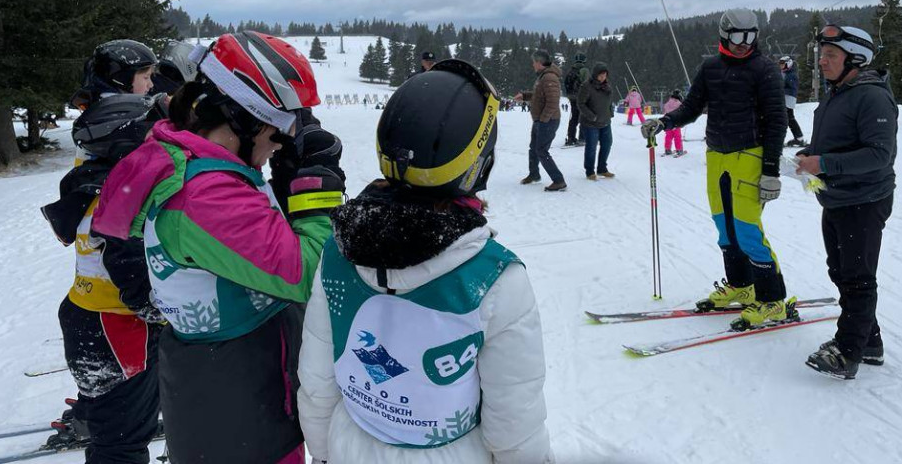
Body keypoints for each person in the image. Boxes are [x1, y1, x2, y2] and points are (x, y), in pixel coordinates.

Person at [92, 31, 342, 464]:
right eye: (281, 128)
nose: (284, 141)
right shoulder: (206, 196)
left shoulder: (204, 164)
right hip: (238, 404)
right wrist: (314, 195)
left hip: (239, 384)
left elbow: (259, 249)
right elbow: (309, 275)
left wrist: (285, 190)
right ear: (243, 119)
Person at [297, 59, 554, 464]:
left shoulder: (337, 251)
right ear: (478, 164)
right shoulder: (495, 278)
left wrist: (325, 453)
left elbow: (317, 383)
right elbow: (515, 424)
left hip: (351, 445)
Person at [41, 39, 165, 462]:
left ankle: (100, 413)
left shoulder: (99, 135)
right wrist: (166, 307)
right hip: (119, 322)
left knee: (113, 408)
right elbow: (125, 253)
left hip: (89, 309)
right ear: (120, 82)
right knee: (122, 448)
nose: (151, 87)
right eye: (145, 77)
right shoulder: (122, 142)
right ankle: (113, 422)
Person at [641, 8, 788, 330]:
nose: (743, 44)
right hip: (717, 156)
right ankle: (741, 284)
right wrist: (664, 122)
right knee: (725, 228)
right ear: (724, 34)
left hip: (750, 155)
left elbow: (778, 120)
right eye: (737, 36)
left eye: (750, 36)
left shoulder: (764, 69)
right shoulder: (710, 67)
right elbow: (692, 107)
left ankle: (772, 300)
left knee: (748, 230)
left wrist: (771, 170)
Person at [795, 26, 897, 380]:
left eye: (831, 56)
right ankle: (869, 341)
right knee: (840, 271)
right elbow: (837, 142)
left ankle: (848, 351)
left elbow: (879, 154)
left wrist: (822, 164)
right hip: (837, 197)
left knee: (857, 278)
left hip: (865, 199)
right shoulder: (838, 93)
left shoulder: (872, 97)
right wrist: (811, 155)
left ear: (856, 59)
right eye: (821, 54)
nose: (822, 61)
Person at [514, 50, 566, 192]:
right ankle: (534, 174)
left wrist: (543, 120)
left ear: (539, 62)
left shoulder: (549, 77)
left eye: (533, 62)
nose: (532, 65)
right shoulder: (543, 77)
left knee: (541, 150)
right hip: (540, 120)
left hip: (548, 121)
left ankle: (559, 180)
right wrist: (524, 96)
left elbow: (553, 102)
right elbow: (538, 96)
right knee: (534, 148)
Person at [577, 62, 615, 180]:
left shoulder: (607, 86)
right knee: (591, 147)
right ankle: (590, 171)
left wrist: (610, 112)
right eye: (601, 75)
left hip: (605, 122)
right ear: (595, 74)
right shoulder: (586, 86)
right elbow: (581, 103)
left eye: (605, 75)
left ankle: (602, 168)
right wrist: (591, 116)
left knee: (607, 144)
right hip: (590, 123)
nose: (603, 77)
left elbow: (609, 102)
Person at [780, 56, 807, 148]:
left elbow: (792, 88)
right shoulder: (783, 73)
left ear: (789, 64)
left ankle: (780, 139)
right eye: (780, 65)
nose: (781, 66)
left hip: (788, 99)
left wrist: (780, 90)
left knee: (785, 119)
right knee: (789, 119)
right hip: (784, 99)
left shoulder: (791, 75)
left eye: (783, 64)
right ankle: (799, 138)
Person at [563, 53, 589, 146]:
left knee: (574, 117)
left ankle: (571, 138)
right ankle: (582, 138)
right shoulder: (584, 70)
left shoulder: (571, 70)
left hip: (572, 97)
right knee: (583, 117)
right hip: (581, 97)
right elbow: (587, 84)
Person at [661, 89, 685, 157]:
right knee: (677, 136)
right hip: (676, 123)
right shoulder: (679, 104)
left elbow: (665, 109)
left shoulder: (668, 103)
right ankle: (679, 149)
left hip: (668, 123)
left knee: (668, 136)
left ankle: (667, 149)